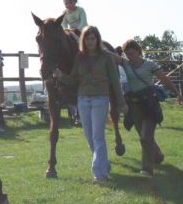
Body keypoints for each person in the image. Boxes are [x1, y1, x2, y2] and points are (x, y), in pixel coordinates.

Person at [53, 26, 128, 184]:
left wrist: (121, 102)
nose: (90, 41)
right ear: (83, 41)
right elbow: (73, 79)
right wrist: (61, 76)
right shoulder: (79, 58)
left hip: (100, 99)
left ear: (97, 39)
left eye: (93, 38)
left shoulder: (106, 57)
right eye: (87, 38)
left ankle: (98, 174)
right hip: (83, 100)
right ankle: (104, 165)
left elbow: (115, 81)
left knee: (97, 136)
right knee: (89, 137)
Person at [109, 39, 183, 177]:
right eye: (127, 54)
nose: (129, 56)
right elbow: (108, 54)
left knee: (145, 137)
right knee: (144, 136)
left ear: (138, 51)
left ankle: (147, 169)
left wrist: (178, 93)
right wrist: (88, 40)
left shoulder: (150, 64)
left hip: (150, 104)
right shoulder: (125, 64)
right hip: (134, 106)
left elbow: (164, 80)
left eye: (131, 53)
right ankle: (158, 156)